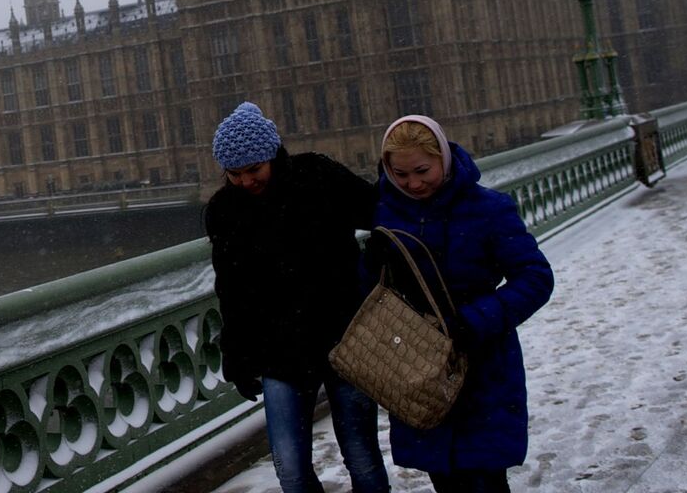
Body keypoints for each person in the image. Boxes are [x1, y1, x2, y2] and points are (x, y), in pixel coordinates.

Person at [204, 101, 390, 493]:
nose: (246, 181)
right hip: (279, 351)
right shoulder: (223, 210)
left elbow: (379, 213)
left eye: (254, 170)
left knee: (362, 458)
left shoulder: (318, 175)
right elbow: (232, 291)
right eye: (234, 174)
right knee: (290, 470)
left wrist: (371, 266)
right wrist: (235, 355)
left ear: (272, 155)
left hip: (345, 338)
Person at [367, 115, 553, 493]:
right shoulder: (386, 213)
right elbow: (371, 286)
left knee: (484, 475)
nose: (413, 183)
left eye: (422, 170)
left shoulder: (488, 209)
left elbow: (535, 277)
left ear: (445, 159)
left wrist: (474, 321)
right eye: (400, 174)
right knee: (446, 478)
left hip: (482, 363)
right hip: (420, 366)